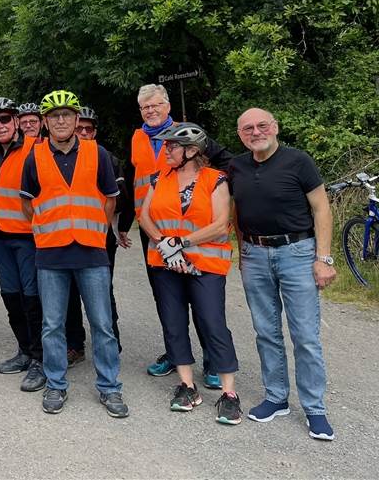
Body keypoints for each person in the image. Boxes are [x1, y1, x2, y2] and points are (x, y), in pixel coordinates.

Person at [231, 108, 336, 441]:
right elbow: (235, 211)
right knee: (266, 331)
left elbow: (321, 208)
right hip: (254, 253)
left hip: (298, 253)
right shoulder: (236, 166)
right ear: (240, 134)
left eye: (262, 125)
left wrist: (324, 258)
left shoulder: (298, 161)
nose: (256, 132)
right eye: (248, 128)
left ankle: (315, 409)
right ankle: (276, 397)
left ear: (275, 127)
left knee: (305, 334)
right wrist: (242, 253)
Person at [20, 91, 128, 418]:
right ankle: (56, 384)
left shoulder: (99, 154)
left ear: (77, 120)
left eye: (67, 115)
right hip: (51, 253)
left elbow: (110, 200)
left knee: (102, 323)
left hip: (91, 251)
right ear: (46, 123)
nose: (61, 121)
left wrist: (95, 228)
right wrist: (43, 227)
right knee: (53, 325)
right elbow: (28, 204)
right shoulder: (34, 157)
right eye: (54, 116)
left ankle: (110, 387)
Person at [138, 123, 242, 425]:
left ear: (192, 151)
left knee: (212, 323)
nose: (166, 150)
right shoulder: (159, 178)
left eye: (171, 146)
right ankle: (187, 385)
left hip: (205, 265)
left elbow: (221, 224)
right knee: (173, 322)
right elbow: (144, 216)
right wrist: (162, 242)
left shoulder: (216, 179)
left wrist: (180, 242)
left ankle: (229, 393)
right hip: (166, 264)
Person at [131, 83, 231, 388]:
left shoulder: (187, 133)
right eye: (145, 107)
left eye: (155, 105)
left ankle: (212, 361)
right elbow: (132, 175)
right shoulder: (138, 137)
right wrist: (128, 224)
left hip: (195, 238)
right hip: (155, 235)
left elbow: (225, 162)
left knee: (205, 308)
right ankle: (175, 356)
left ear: (167, 106)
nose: (150, 111)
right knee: (169, 305)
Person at [0, 97, 45, 393]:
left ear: (16, 121)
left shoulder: (36, 149)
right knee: (11, 296)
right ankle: (24, 350)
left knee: (33, 298)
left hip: (28, 236)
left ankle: (40, 359)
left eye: (5, 119)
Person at [65, 107, 132, 364]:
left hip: (99, 238)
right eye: (79, 127)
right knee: (69, 291)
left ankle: (110, 341)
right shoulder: (60, 158)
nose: (83, 132)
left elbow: (125, 198)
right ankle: (75, 344)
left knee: (103, 290)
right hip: (66, 236)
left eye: (88, 129)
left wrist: (121, 227)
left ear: (95, 132)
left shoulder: (106, 158)